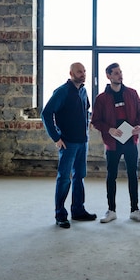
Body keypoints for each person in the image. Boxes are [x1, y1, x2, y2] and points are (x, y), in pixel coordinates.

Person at [91, 63, 140, 223]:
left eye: (120, 72)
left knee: (133, 174)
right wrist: (108, 129)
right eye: (116, 73)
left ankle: (135, 210)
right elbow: (95, 120)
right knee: (111, 176)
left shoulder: (132, 93)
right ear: (108, 76)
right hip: (112, 142)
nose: (120, 75)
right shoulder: (101, 98)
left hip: (130, 140)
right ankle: (111, 210)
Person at [41, 62, 97, 229]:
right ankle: (60, 214)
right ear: (71, 73)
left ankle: (78, 210)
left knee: (80, 176)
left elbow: (85, 109)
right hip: (68, 142)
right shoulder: (62, 91)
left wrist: (89, 123)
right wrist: (56, 137)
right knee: (64, 178)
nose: (83, 74)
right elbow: (46, 113)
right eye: (79, 71)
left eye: (84, 71)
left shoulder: (83, 90)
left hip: (82, 141)